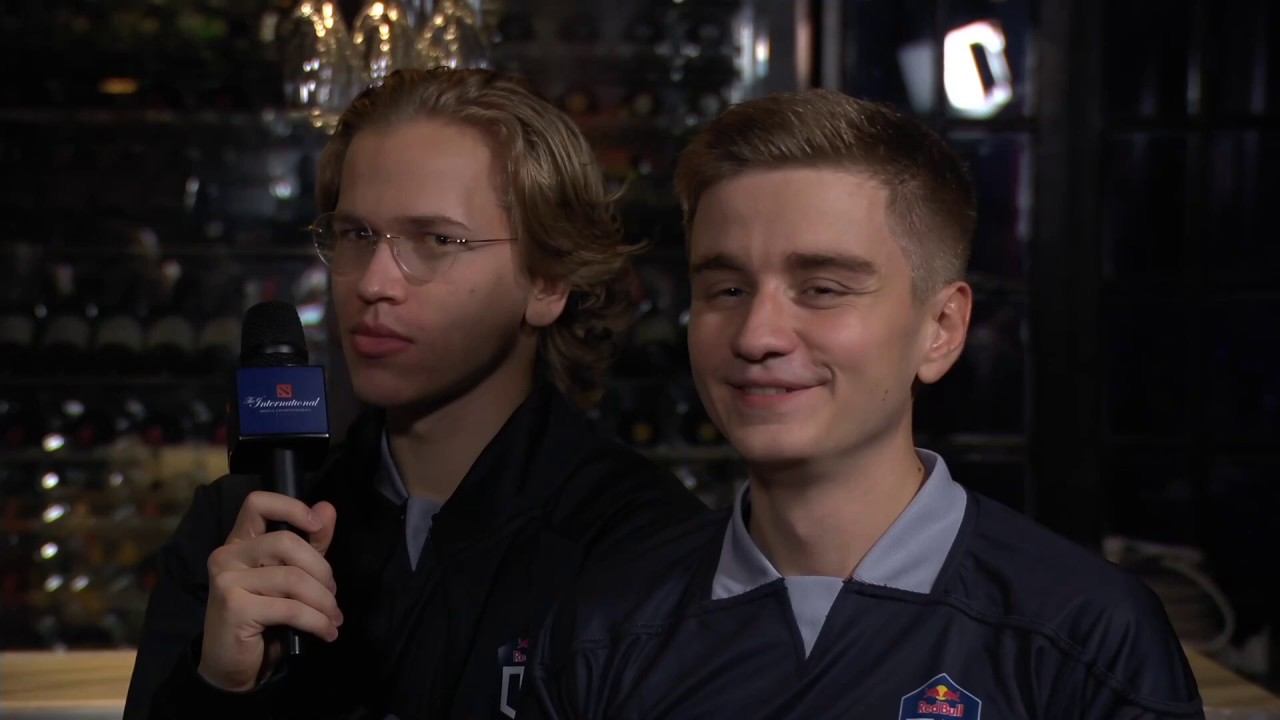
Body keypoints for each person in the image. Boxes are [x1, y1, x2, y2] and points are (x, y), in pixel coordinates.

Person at [525, 89, 1204, 718]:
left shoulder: (1081, 635)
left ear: (941, 330)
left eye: (822, 289)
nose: (757, 336)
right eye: (727, 291)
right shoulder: (602, 630)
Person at [124, 67, 705, 720]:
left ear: (547, 281)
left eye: (435, 241)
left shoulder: (641, 543)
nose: (374, 283)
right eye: (357, 235)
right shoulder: (240, 529)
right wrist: (217, 689)